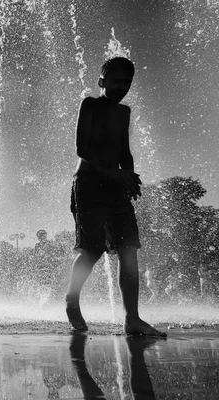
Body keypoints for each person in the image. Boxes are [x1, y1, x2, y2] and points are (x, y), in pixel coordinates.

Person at [66, 56, 166, 336]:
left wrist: (129, 177)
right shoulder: (90, 104)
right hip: (88, 183)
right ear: (102, 81)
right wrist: (115, 173)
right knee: (93, 248)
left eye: (127, 82)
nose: (122, 87)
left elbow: (125, 152)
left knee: (129, 249)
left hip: (115, 185)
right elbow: (82, 148)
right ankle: (72, 299)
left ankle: (132, 319)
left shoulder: (124, 112)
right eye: (116, 81)